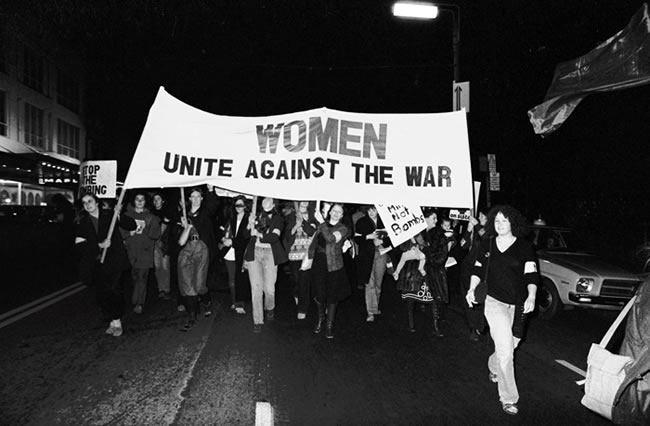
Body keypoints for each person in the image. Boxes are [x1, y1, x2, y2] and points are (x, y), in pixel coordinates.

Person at [466, 205, 539, 416]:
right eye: (496, 221)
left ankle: (493, 365)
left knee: (511, 345)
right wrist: (472, 288)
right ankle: (508, 398)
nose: (499, 225)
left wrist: (532, 296)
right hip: (493, 302)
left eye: (503, 221)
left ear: (512, 223)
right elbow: (478, 269)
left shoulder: (524, 247)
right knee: (507, 353)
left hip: (518, 305)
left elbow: (531, 275)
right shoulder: (487, 244)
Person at [75, 192, 136, 337]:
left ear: (97, 202)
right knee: (103, 293)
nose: (88, 204)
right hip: (97, 262)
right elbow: (79, 244)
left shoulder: (110, 215)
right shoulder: (83, 222)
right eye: (84, 203)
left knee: (114, 290)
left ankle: (117, 321)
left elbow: (131, 225)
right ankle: (111, 320)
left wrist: (119, 215)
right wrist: (98, 245)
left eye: (90, 201)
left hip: (115, 261)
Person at [396, 208, 448, 336]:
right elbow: (402, 247)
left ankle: (436, 328)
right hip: (413, 271)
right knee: (410, 299)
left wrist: (426, 255)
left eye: (436, 218)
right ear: (424, 219)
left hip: (431, 270)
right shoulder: (415, 231)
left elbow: (441, 254)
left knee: (434, 299)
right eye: (433, 218)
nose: (436, 221)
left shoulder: (439, 235)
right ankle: (411, 324)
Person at [177, 186, 218, 331]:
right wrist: (183, 226)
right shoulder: (183, 213)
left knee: (200, 284)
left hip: (202, 251)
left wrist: (211, 190)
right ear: (188, 199)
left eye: (198, 196)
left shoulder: (205, 212)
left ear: (201, 198)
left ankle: (206, 301)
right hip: (186, 251)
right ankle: (192, 315)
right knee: (188, 283)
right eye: (192, 196)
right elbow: (178, 238)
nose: (195, 199)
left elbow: (213, 206)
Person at [244, 197, 287, 333]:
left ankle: (270, 307)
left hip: (270, 254)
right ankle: (257, 320)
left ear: (274, 203)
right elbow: (245, 235)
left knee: (269, 289)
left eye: (270, 199)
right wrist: (249, 224)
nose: (266, 201)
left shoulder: (278, 219)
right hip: (254, 253)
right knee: (256, 288)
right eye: (264, 199)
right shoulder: (255, 215)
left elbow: (274, 238)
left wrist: (258, 233)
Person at [307, 203, 350, 339]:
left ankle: (329, 325)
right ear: (330, 212)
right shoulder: (322, 225)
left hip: (334, 265)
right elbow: (314, 240)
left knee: (332, 295)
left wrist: (321, 222)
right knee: (319, 294)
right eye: (334, 210)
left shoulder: (343, 228)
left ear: (342, 216)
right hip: (319, 263)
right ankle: (320, 319)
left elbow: (331, 239)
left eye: (340, 212)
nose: (336, 213)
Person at [122, 191, 161, 314]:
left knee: (142, 278)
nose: (139, 201)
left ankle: (138, 303)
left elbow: (156, 234)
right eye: (137, 199)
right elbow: (120, 234)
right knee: (134, 278)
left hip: (145, 253)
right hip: (130, 252)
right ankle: (136, 298)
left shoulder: (151, 217)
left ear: (145, 202)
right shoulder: (126, 216)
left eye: (142, 199)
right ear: (133, 201)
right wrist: (129, 233)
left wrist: (147, 229)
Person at [283, 200, 318, 320]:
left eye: (306, 200)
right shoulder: (290, 217)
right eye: (301, 200)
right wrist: (295, 226)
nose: (304, 202)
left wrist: (303, 222)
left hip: (307, 254)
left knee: (304, 281)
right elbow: (287, 235)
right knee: (296, 279)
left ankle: (303, 308)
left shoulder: (314, 217)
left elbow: (312, 232)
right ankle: (297, 294)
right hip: (294, 253)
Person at [355, 205, 390, 322]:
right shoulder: (361, 222)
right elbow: (357, 239)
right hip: (366, 255)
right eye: (369, 210)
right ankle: (370, 311)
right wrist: (367, 237)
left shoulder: (385, 221)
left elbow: (394, 237)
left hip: (382, 253)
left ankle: (375, 307)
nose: (371, 212)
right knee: (369, 283)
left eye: (373, 209)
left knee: (378, 283)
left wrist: (383, 241)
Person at [459, 211, 488, 342]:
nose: (479, 218)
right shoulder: (475, 230)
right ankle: (472, 327)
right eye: (479, 216)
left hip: (483, 269)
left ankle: (480, 324)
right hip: (469, 268)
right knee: (469, 297)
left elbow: (486, 238)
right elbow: (463, 245)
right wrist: (469, 229)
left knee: (481, 297)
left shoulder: (490, 233)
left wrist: (476, 226)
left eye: (482, 216)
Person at [220, 195, 251, 315]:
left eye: (241, 205)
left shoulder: (250, 218)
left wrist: (233, 241)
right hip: (229, 251)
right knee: (232, 279)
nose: (239, 207)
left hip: (243, 252)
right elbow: (222, 230)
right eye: (236, 205)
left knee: (242, 277)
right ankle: (235, 301)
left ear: (245, 206)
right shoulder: (230, 218)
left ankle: (240, 302)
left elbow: (247, 237)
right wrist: (223, 238)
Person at [151, 192, 172, 300]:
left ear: (163, 200)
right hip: (154, 243)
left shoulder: (167, 212)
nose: (156, 201)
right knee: (158, 267)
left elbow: (167, 228)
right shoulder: (151, 213)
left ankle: (166, 289)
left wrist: (161, 240)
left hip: (165, 244)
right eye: (154, 199)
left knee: (165, 267)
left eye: (158, 199)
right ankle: (160, 289)